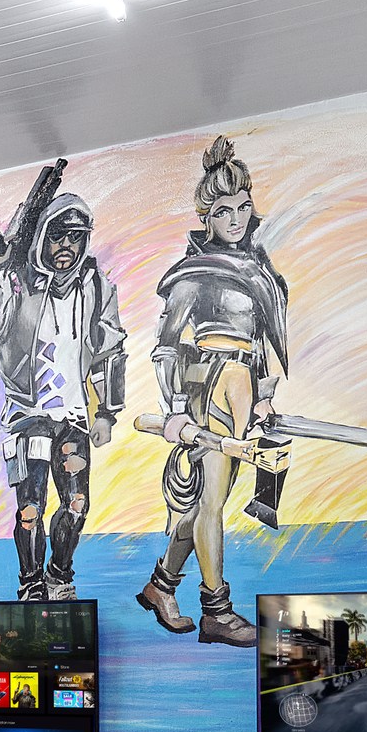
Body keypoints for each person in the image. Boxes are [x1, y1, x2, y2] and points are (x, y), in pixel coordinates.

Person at [136, 136, 289, 647]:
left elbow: (262, 341)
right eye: (224, 211)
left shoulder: (258, 269)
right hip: (208, 388)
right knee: (210, 506)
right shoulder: (194, 274)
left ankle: (161, 587)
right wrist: (177, 410)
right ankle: (216, 610)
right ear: (207, 217)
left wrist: (263, 396)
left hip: (242, 391)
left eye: (243, 207)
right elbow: (164, 347)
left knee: (209, 501)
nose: (237, 218)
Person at [0, 171, 127, 600]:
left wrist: (107, 412)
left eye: (76, 237)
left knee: (77, 505)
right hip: (25, 417)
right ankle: (30, 585)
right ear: (41, 236)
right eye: (57, 235)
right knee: (29, 510)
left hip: (73, 418)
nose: (66, 245)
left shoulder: (96, 286)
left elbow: (109, 349)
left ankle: (59, 576)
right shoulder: (14, 284)